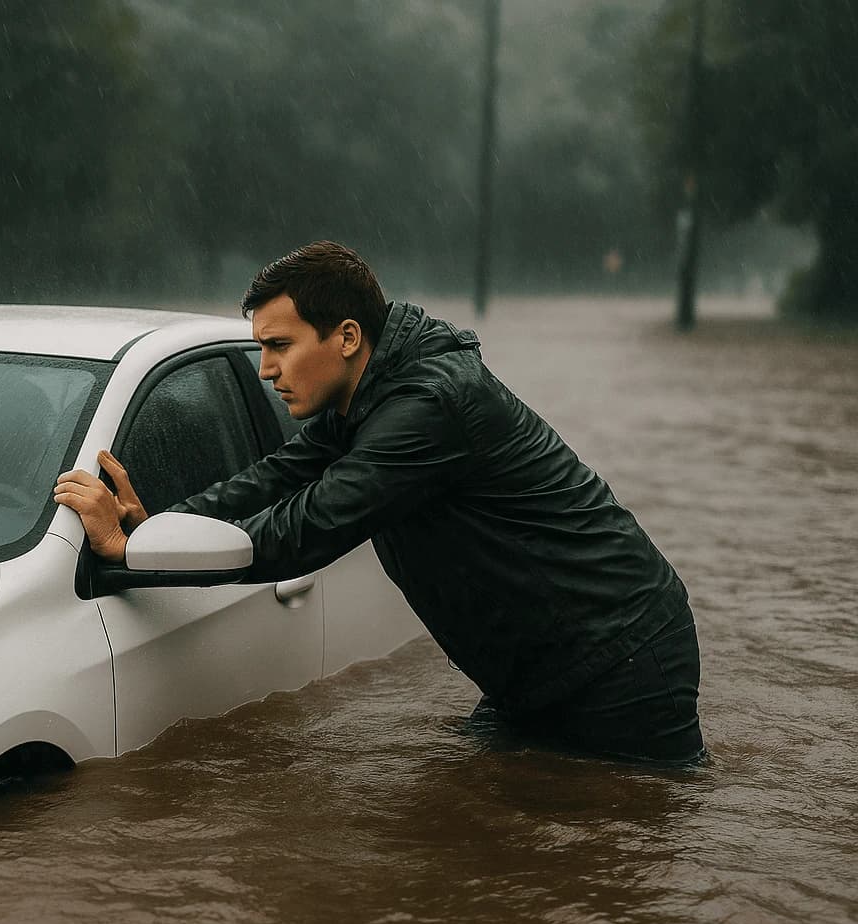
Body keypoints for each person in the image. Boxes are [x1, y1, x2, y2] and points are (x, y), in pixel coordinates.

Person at [53, 241, 704, 764]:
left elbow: (305, 529)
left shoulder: (428, 407)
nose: (265, 369)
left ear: (345, 337)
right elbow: (274, 477)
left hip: (621, 659)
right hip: (540, 671)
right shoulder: (367, 398)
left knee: (623, 858)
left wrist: (133, 553)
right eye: (261, 349)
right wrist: (165, 524)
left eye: (279, 346)